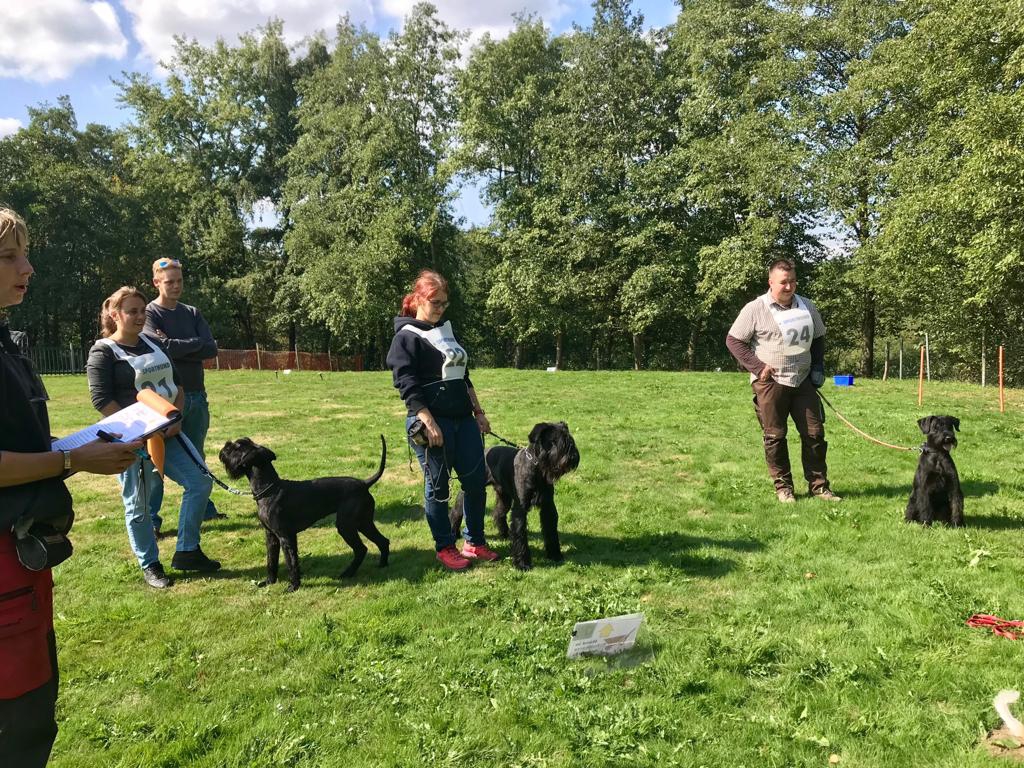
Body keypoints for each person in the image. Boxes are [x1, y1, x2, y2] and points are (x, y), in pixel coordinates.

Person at [0, 208, 142, 766]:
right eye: (9, 256)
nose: (28, 268)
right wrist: (72, 459)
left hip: (25, 563)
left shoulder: (7, 344)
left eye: (25, 253)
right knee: (19, 729)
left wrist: (85, 448)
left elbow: (24, 441)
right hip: (5, 572)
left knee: (35, 715)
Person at [86, 286, 221, 589]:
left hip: (169, 433)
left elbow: (178, 384)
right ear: (115, 315)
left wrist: (176, 416)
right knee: (139, 504)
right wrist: (141, 430)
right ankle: (150, 564)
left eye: (142, 311)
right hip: (132, 441)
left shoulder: (154, 342)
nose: (139, 316)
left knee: (200, 482)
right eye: (132, 311)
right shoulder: (103, 351)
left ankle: (187, 551)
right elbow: (101, 400)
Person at [386, 270, 500, 570]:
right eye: (435, 302)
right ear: (418, 299)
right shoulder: (405, 337)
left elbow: (464, 377)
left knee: (475, 482)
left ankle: (474, 542)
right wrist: (428, 421)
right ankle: (445, 547)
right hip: (432, 423)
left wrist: (478, 412)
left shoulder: (448, 332)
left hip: (463, 420)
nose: (440, 308)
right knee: (438, 489)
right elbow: (407, 385)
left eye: (444, 303)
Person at [726, 258, 841, 503]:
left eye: (793, 281)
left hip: (803, 381)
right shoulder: (755, 309)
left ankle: (819, 487)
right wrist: (758, 367)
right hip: (771, 383)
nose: (789, 287)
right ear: (771, 282)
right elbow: (734, 340)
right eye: (783, 282)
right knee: (775, 437)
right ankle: (784, 488)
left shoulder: (807, 306)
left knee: (814, 434)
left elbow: (819, 337)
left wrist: (818, 366)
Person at [144, 257, 224, 534]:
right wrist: (195, 344)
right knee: (156, 461)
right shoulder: (149, 313)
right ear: (156, 282)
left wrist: (177, 345)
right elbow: (161, 348)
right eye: (170, 282)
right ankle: (152, 522)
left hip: (197, 396)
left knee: (196, 455)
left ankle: (205, 510)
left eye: (179, 281)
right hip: (164, 401)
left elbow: (211, 349)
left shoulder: (192, 312)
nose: (176, 286)